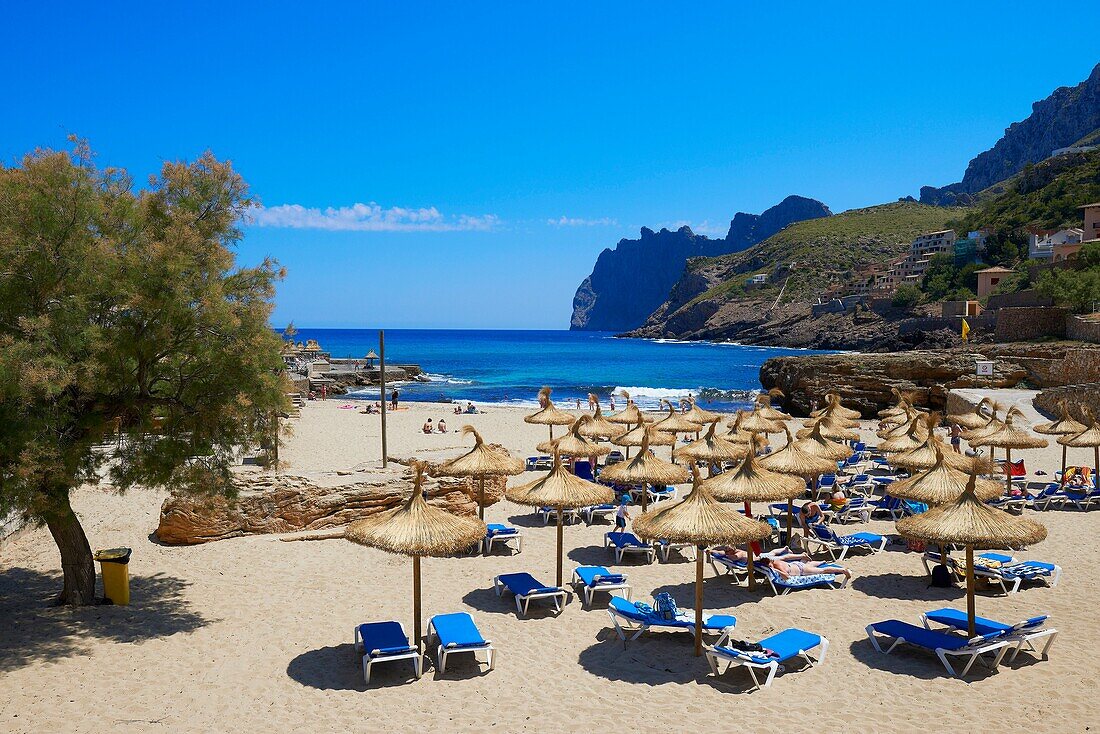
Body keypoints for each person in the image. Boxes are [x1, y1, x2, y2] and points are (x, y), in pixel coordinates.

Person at [766, 555, 852, 582]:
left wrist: (776, 570)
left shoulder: (777, 566)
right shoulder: (776, 561)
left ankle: (843, 570)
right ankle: (822, 561)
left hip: (801, 570)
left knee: (822, 570)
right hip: (798, 564)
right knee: (810, 564)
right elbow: (786, 557)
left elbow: (786, 577)